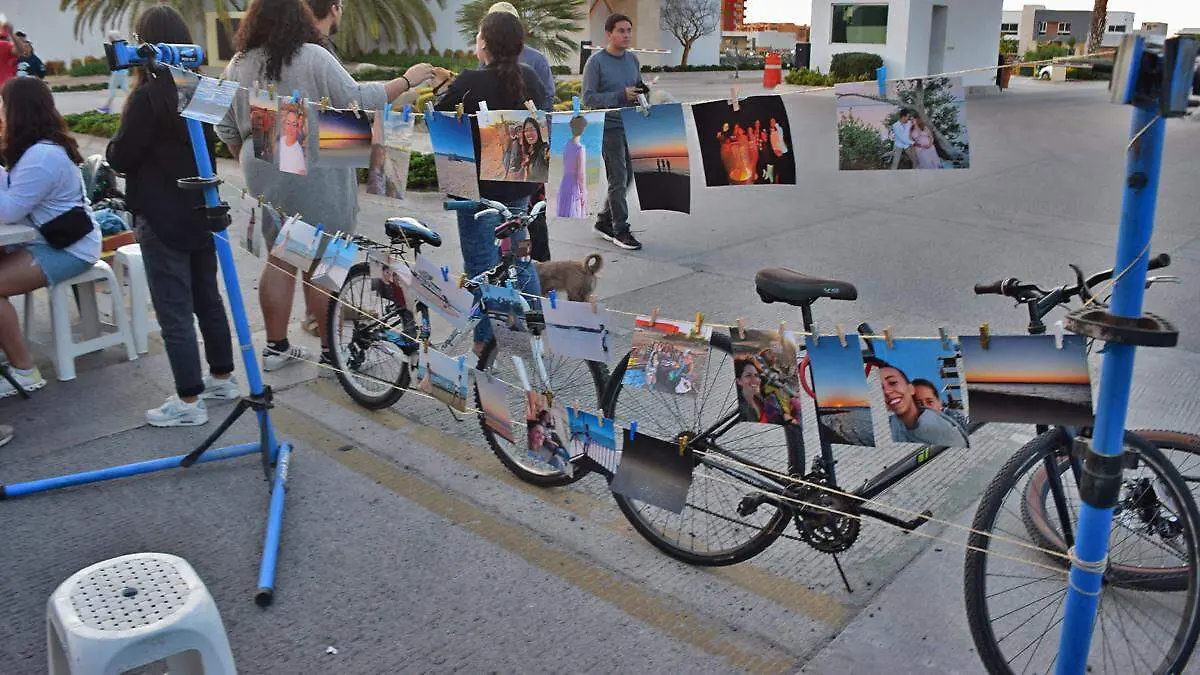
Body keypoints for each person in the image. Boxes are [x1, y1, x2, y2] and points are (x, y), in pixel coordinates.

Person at [216, 0, 435, 371]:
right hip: (315, 172)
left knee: (281, 257)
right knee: (324, 259)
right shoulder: (311, 56)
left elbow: (224, 127)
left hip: (264, 167)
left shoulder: (239, 63)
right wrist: (408, 80)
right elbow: (358, 99)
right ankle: (332, 353)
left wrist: (252, 163)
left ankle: (276, 348)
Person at [106, 5, 238, 427]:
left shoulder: (147, 98)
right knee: (207, 299)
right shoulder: (200, 89)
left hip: (161, 216)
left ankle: (188, 400)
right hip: (202, 211)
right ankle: (222, 378)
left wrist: (112, 147)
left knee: (174, 309)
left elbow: (121, 156)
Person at [433, 10, 546, 354]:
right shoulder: (530, 77)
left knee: (481, 266)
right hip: (519, 186)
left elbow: (439, 113)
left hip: (477, 193)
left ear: (484, 42)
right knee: (520, 259)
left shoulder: (471, 80)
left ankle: (484, 344)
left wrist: (442, 87)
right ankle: (533, 325)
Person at [0, 77, 102, 396]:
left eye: (3, 106)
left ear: (16, 110)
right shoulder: (36, 150)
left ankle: (24, 371)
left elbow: (9, 210)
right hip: (46, 241)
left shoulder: (42, 156)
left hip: (69, 249)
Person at [485, 2, 555, 261]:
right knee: (504, 215)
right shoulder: (485, 58)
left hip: (530, 150)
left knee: (533, 211)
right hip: (499, 154)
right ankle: (510, 266)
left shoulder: (535, 60)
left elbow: (547, 102)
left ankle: (539, 265)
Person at [582, 13, 642, 251]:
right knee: (617, 178)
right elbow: (588, 99)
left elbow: (636, 86)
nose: (626, 35)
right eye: (621, 31)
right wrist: (620, 95)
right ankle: (620, 230)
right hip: (609, 126)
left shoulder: (632, 60)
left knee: (628, 177)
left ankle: (603, 221)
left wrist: (642, 92)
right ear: (609, 34)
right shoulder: (595, 62)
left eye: (629, 30)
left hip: (632, 124)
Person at [876, 361, 969, 447]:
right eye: (918, 403)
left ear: (939, 403)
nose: (925, 408)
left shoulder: (953, 426)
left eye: (930, 402)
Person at [555, 115, 588, 218]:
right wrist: (583, 191)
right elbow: (581, 174)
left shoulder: (567, 145)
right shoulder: (580, 148)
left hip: (565, 182)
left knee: (564, 212)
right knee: (574, 214)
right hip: (574, 184)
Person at [98, 31, 130, 113]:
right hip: (124, 71)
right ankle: (135, 101)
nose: (109, 39)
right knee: (125, 88)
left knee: (112, 89)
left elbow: (115, 60)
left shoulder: (116, 46)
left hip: (118, 72)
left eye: (110, 37)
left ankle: (107, 107)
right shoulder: (122, 45)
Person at [518, 117, 549, 182]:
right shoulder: (529, 152)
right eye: (526, 130)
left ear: (538, 131)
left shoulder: (544, 149)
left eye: (532, 129)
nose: (529, 133)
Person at [0, 22, 24, 86]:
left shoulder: (4, 45)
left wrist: (11, 34)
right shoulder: (5, 45)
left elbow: (20, 51)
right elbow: (20, 50)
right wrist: (11, 34)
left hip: (6, 86)